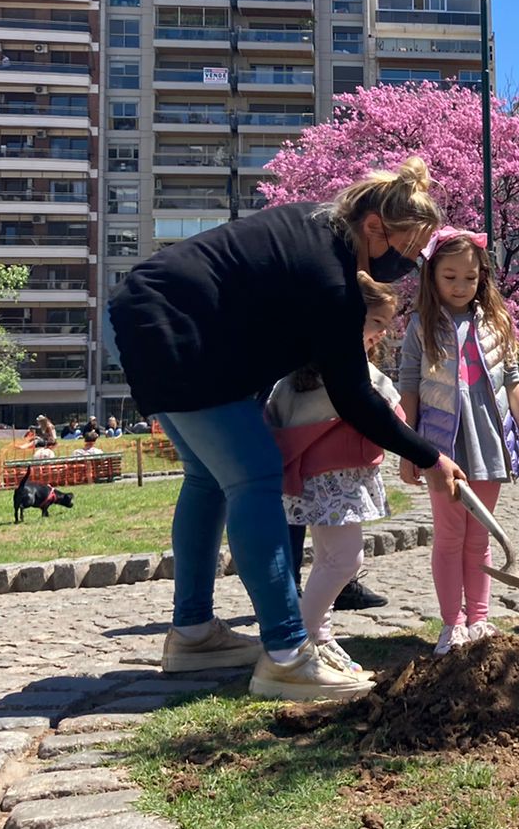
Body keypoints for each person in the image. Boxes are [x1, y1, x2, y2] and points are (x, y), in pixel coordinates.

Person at [107, 157, 461, 702]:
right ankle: (288, 655)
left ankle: (194, 633)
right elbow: (353, 395)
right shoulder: (331, 276)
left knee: (206, 478)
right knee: (255, 476)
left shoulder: (314, 229)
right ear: (374, 229)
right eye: (409, 252)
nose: (409, 266)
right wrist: (430, 457)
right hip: (174, 328)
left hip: (143, 312)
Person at [398, 227, 519, 656]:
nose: (461, 286)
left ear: (483, 276)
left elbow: (515, 383)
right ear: (431, 277)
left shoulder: (498, 321)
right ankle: (452, 624)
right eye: (449, 277)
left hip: (487, 438)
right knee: (449, 535)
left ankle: (480, 619)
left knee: (480, 535)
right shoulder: (419, 325)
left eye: (470, 277)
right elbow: (408, 387)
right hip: (441, 442)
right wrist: (410, 448)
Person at [266, 271, 405, 685]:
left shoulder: (299, 375)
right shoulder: (350, 373)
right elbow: (391, 413)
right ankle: (305, 639)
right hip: (336, 481)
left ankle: (319, 636)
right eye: (376, 323)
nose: (380, 334)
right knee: (346, 559)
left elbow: (275, 415)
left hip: (316, 478)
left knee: (330, 559)